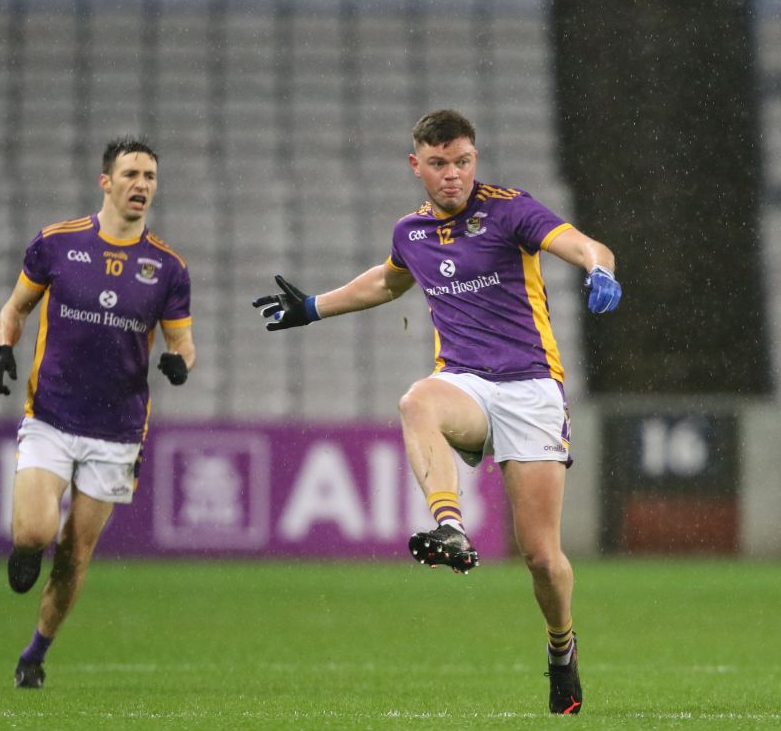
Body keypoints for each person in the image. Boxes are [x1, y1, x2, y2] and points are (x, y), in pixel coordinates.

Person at [253, 109, 620, 715]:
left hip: (531, 389)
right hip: (465, 383)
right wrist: (314, 306)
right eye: (440, 164)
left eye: (463, 162)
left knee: (541, 558)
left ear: (475, 159)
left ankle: (561, 649)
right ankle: (451, 525)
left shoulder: (510, 209)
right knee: (417, 400)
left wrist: (599, 266)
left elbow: (580, 242)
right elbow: (388, 283)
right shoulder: (411, 233)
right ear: (416, 165)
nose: (453, 175)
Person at [0, 137, 195, 689]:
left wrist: (178, 363)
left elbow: (183, 342)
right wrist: (2, 349)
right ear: (106, 181)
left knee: (74, 555)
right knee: (33, 532)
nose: (141, 185)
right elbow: (16, 307)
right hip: (51, 414)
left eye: (150, 175)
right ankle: (26, 548)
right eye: (131, 174)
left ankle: (34, 654)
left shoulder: (167, 267)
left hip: (118, 431)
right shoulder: (57, 243)